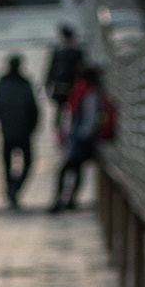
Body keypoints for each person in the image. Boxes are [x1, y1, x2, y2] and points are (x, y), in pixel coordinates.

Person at [0, 54, 40, 208]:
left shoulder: (2, 83)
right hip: (23, 133)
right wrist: (33, 128)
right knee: (28, 163)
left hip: (7, 132)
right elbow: (34, 110)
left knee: (6, 164)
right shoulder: (25, 84)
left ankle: (10, 189)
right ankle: (15, 188)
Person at [50, 61, 107, 212]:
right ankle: (70, 200)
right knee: (75, 170)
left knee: (66, 169)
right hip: (80, 138)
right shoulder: (90, 91)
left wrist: (79, 136)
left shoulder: (87, 92)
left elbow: (87, 117)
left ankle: (61, 200)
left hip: (80, 139)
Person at [44, 24, 84, 135]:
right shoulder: (74, 52)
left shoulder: (60, 52)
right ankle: (62, 132)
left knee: (65, 109)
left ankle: (61, 132)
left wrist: (48, 82)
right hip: (67, 85)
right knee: (66, 109)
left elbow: (51, 69)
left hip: (65, 85)